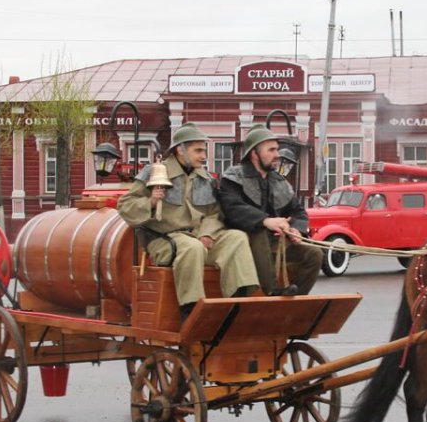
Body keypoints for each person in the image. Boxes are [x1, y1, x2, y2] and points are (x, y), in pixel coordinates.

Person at [116, 123, 259, 320]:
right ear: (180, 150)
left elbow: (214, 213)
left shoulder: (205, 178)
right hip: (164, 241)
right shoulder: (156, 172)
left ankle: (237, 302)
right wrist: (150, 201)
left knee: (236, 237)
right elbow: (125, 205)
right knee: (192, 247)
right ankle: (191, 308)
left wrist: (207, 233)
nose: (203, 156)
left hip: (199, 238)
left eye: (204, 150)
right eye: (198, 150)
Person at [217, 125, 322, 296]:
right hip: (244, 244)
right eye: (271, 150)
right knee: (258, 232)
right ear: (254, 154)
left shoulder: (279, 181)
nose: (277, 155)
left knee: (314, 254)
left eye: (277, 149)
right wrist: (266, 221)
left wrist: (297, 229)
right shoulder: (233, 177)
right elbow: (232, 209)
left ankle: (296, 299)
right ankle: (272, 291)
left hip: (274, 244)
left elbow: (298, 211)